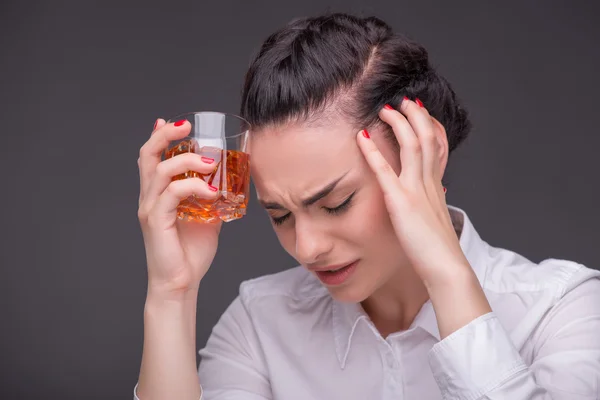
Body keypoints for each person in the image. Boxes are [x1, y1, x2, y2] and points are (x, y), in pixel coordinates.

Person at [134, 12, 600, 400]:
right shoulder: (260, 322)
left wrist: (447, 275)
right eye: (279, 215)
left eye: (336, 203)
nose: (307, 248)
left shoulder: (561, 309)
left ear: (423, 150)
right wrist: (171, 293)